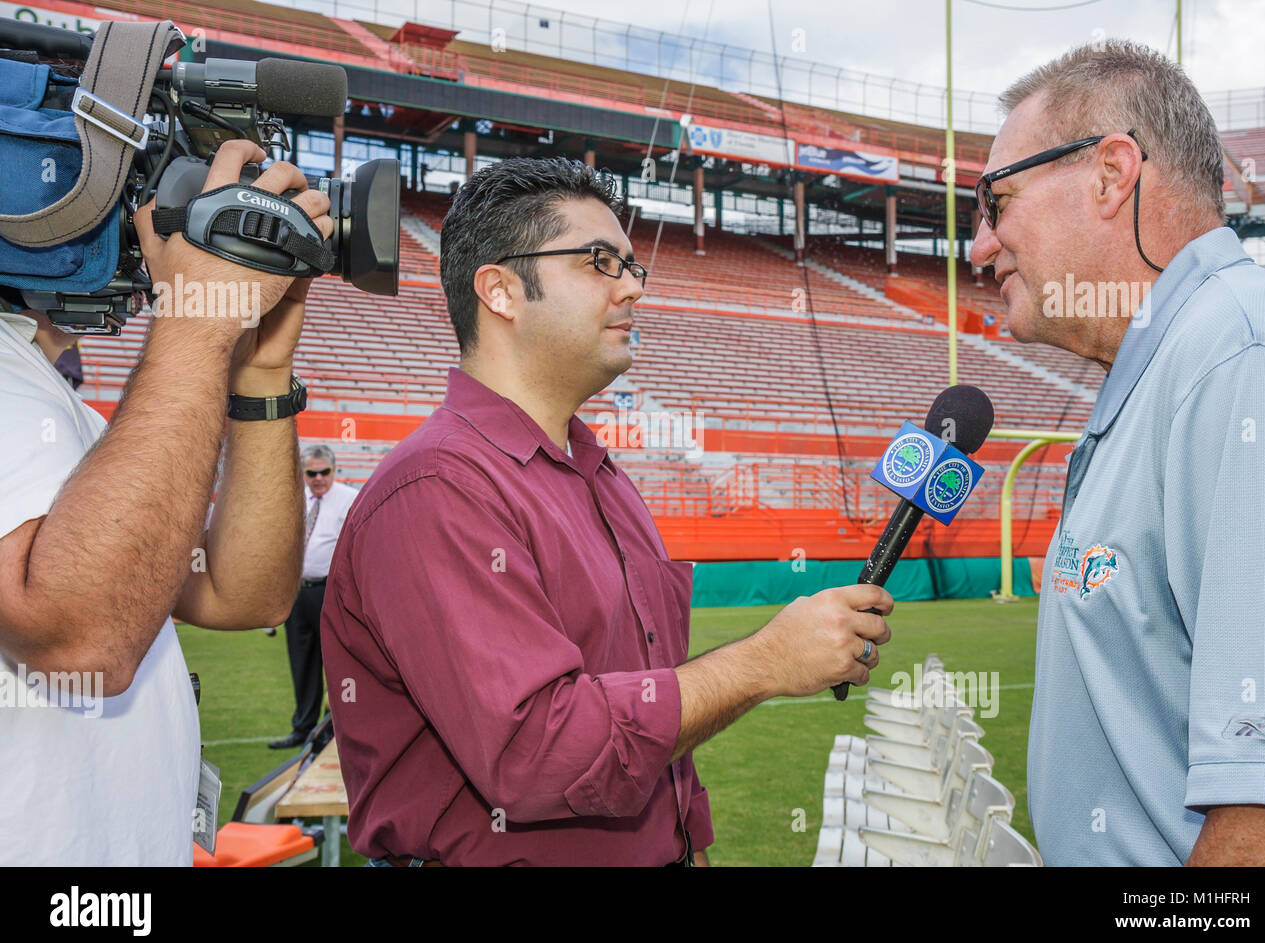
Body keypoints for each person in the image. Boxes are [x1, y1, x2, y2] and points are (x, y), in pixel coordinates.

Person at [321, 156, 894, 867]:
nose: (631, 289)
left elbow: (652, 734)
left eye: (631, 267)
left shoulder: (602, 477)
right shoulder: (437, 489)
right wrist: (764, 662)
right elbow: (539, 754)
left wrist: (690, 844)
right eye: (599, 262)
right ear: (500, 290)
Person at [970, 40, 1265, 865]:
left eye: (996, 201)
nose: (980, 246)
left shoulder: (1241, 353)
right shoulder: (1175, 357)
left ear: (1113, 175)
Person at [0, 139, 332, 865]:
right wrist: (195, 318)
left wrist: (261, 370)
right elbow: (79, 640)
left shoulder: (63, 410)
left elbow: (242, 593)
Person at [269, 444, 357, 749]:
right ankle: (303, 727)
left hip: (331, 593)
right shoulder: (294, 499)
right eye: (312, 473)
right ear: (304, 473)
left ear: (334, 471)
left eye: (324, 472)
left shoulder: (349, 499)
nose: (318, 478)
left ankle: (332, 728)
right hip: (297, 592)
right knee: (301, 662)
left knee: (336, 664)